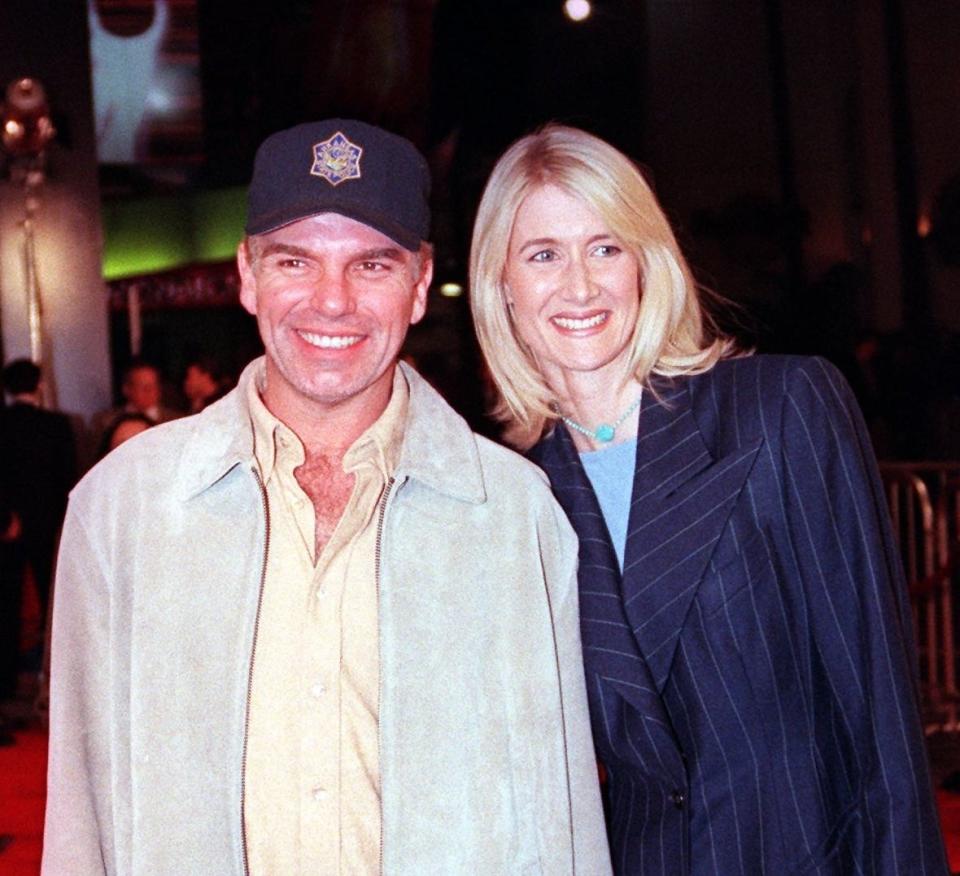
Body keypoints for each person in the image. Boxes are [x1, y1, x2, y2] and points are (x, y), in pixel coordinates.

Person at [43, 119, 610, 874]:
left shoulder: (512, 514)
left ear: (418, 283)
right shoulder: (124, 507)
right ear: (247, 273)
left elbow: (560, 811)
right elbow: (80, 810)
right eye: (295, 261)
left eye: (372, 265)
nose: (331, 301)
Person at [469, 124, 948, 874]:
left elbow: (881, 720)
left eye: (605, 247)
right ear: (501, 283)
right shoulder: (516, 498)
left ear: (646, 264)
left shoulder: (780, 410)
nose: (580, 284)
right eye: (542, 255)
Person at [0, 359, 77, 626]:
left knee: (8, 599)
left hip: (9, 525)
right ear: (39, 386)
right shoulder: (57, 425)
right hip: (49, 522)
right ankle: (51, 663)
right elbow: (68, 476)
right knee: (53, 597)